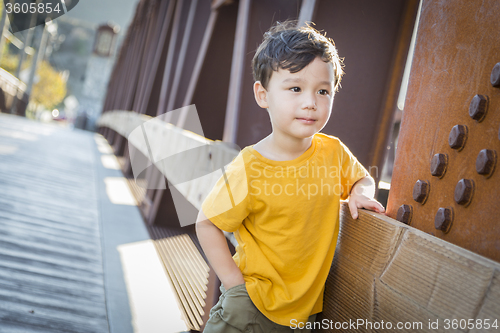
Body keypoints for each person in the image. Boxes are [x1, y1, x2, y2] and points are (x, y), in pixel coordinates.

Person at [196, 20, 385, 332]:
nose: (310, 102)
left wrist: (360, 192)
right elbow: (207, 223)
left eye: (323, 91)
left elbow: (361, 179)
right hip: (250, 310)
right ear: (263, 94)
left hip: (303, 317)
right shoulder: (251, 167)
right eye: (295, 88)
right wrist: (234, 286)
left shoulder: (333, 153)